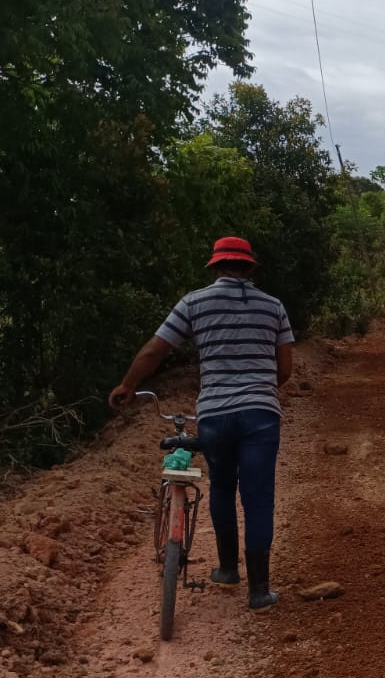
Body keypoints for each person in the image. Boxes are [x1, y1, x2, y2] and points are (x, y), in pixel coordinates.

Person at [108, 236, 294, 611]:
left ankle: (227, 570)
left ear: (215, 266)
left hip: (214, 415)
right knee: (258, 499)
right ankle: (259, 591)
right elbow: (285, 370)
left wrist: (128, 385)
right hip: (260, 415)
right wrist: (255, 390)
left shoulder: (193, 302)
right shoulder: (274, 307)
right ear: (249, 268)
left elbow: (155, 350)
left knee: (222, 488)